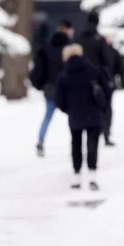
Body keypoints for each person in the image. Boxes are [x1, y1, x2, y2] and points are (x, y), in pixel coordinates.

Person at [54, 44, 111, 191]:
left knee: (76, 144)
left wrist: (68, 110)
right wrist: (103, 107)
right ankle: (92, 175)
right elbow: (107, 90)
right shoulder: (94, 70)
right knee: (93, 145)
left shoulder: (64, 75)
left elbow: (59, 99)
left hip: (75, 114)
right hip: (93, 113)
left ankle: (76, 176)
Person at [29, 19, 74, 157]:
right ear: (67, 30)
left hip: (50, 88)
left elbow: (38, 69)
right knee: (72, 117)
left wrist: (40, 84)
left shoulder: (47, 47)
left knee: (48, 116)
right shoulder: (69, 48)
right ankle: (74, 143)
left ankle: (40, 141)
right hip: (67, 88)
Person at [76, 12, 116, 146]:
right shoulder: (100, 39)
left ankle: (85, 135)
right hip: (99, 79)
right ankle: (105, 134)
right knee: (105, 106)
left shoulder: (79, 39)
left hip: (82, 78)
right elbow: (108, 60)